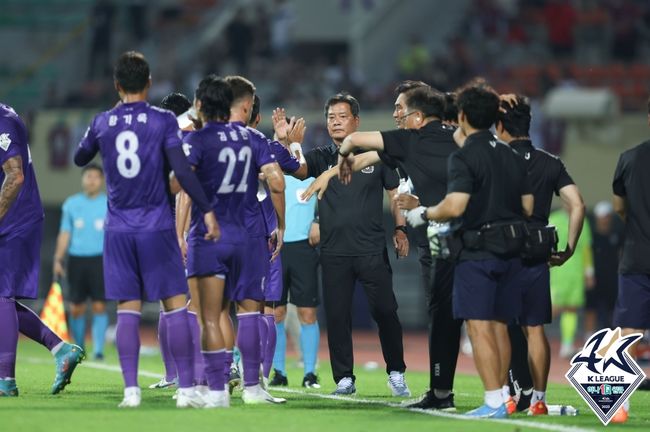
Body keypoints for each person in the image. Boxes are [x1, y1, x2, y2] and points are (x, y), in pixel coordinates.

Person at [74, 51, 220, 408]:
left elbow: (80, 157)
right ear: (150, 83)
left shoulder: (102, 121)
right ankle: (186, 390)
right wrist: (207, 209)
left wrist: (109, 117)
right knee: (174, 305)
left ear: (117, 84)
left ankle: (131, 392)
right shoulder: (162, 121)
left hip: (119, 228)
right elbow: (183, 171)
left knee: (128, 309)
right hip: (156, 224)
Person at [309, 82, 460, 409]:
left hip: (428, 246)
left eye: (399, 109)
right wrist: (330, 171)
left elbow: (361, 153)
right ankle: (468, 392)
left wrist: (404, 224)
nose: (394, 115)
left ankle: (416, 380)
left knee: (414, 315)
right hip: (460, 242)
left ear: (417, 116)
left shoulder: (406, 141)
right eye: (330, 116)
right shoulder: (460, 139)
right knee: (468, 319)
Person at [396, 83, 534, 418]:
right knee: (501, 325)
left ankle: (493, 402)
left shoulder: (464, 156)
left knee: (479, 326)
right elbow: (528, 206)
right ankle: (505, 397)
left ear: (461, 116)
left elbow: (455, 205)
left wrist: (423, 212)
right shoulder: (509, 153)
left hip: (477, 250)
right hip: (511, 250)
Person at [285, 92, 410, 396]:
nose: (336, 122)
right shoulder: (321, 155)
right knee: (338, 317)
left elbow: (394, 193)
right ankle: (344, 378)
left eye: (342, 116)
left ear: (356, 120)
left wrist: (400, 228)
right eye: (331, 117)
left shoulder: (375, 155)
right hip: (333, 251)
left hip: (370, 249)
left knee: (385, 311)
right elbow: (297, 169)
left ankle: (396, 372)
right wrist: (292, 142)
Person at [182, 75, 286, 407]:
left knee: (211, 315)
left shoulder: (198, 140)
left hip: (211, 236)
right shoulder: (254, 138)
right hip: (247, 236)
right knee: (250, 314)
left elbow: (178, 185)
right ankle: (253, 388)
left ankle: (215, 388)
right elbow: (278, 182)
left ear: (202, 105)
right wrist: (280, 224)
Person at [494, 95, 585, 416]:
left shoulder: (496, 158)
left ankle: (506, 395)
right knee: (535, 330)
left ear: (501, 126)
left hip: (503, 251)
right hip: (536, 253)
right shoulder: (551, 162)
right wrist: (569, 248)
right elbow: (577, 204)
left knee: (500, 326)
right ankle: (539, 400)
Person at [0, 102, 85, 397]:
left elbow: (15, 176)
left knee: (2, 295)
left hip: (15, 221)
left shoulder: (3, 120)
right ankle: (61, 349)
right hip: (10, 220)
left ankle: (5, 380)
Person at [149, 91, 194, 390]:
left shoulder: (174, 143)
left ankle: (176, 375)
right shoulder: (184, 141)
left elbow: (184, 193)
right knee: (184, 305)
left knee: (174, 305)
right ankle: (183, 375)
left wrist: (181, 234)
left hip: (173, 230)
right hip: (178, 230)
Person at [610, 113, 650, 422]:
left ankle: (620, 405)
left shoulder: (629, 158)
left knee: (628, 332)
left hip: (637, 256)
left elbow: (619, 207)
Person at [53, 163, 108, 361]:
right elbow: (65, 233)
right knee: (76, 307)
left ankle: (99, 350)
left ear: (101, 181)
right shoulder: (71, 204)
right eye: (88, 176)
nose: (91, 180)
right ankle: (80, 348)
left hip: (100, 259)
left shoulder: (109, 204)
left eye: (95, 177)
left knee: (100, 305)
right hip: (76, 260)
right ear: (83, 179)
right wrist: (58, 259)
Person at [270, 173, 320, 388]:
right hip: (276, 248)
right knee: (276, 313)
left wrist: (319, 220)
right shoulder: (270, 172)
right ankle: (279, 372)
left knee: (307, 313)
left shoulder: (311, 173)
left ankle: (310, 373)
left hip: (303, 247)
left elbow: (332, 200)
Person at [548, 207, 593, 358]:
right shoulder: (554, 218)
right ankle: (529, 337)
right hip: (557, 271)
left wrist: (589, 272)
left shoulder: (583, 220)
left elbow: (586, 248)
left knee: (571, 309)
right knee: (552, 308)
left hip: (576, 272)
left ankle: (567, 344)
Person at [585, 201, 623, 334]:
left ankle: (613, 335)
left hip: (613, 278)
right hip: (594, 278)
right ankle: (589, 336)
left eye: (606, 216)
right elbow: (586, 257)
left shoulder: (617, 236)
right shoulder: (591, 237)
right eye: (602, 217)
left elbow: (622, 254)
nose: (604, 220)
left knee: (613, 308)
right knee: (591, 308)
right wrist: (588, 275)